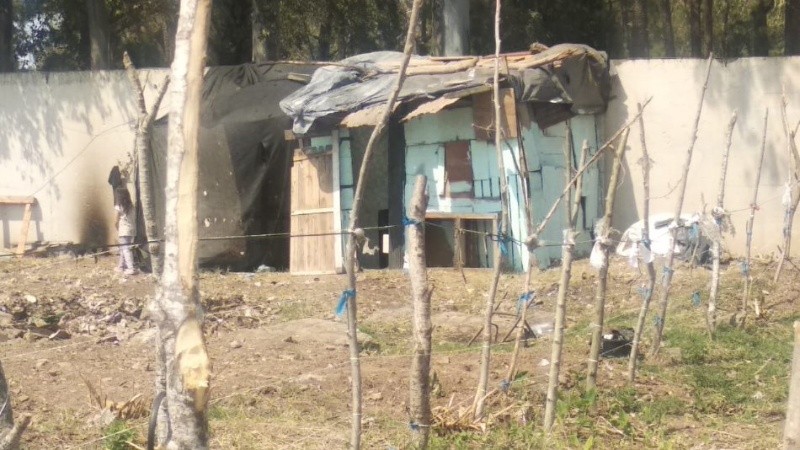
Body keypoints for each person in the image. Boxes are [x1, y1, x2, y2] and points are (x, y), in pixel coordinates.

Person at [114, 187, 138, 275]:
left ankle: (131, 268)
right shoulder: (131, 206)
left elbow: (115, 220)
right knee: (124, 248)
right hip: (132, 230)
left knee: (125, 249)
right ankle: (120, 267)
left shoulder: (118, 206)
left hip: (124, 230)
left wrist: (117, 228)